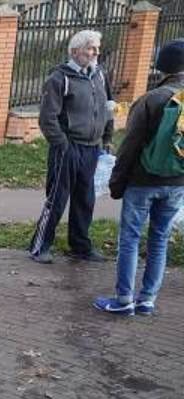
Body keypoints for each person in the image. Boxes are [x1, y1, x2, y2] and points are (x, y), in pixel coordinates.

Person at [96, 39, 184, 316]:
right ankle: (147, 300)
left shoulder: (151, 99)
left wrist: (117, 183)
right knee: (159, 238)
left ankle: (124, 300)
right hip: (177, 183)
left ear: (162, 68)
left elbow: (130, 146)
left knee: (130, 239)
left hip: (142, 182)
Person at [30, 29, 114, 264]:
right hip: (68, 147)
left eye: (97, 47)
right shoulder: (59, 78)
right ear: (75, 51)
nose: (95, 52)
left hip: (92, 147)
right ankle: (40, 246)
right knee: (57, 198)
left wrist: (107, 137)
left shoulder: (100, 75)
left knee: (85, 199)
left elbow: (108, 107)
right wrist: (62, 144)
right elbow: (47, 118)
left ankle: (80, 246)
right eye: (90, 47)